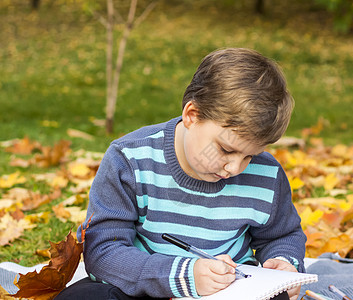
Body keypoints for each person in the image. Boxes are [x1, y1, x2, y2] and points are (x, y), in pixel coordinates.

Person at [56, 48, 306, 300]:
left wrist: (283, 263)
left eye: (249, 156)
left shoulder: (267, 173)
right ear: (192, 115)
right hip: (143, 288)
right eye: (226, 149)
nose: (234, 168)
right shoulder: (129, 159)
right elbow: (104, 252)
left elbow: (283, 235)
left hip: (229, 291)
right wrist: (182, 276)